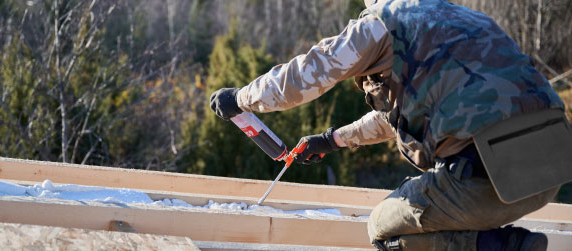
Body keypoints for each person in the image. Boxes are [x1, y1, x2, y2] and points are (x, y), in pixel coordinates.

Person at [210, 0, 567, 250]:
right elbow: (399, 116)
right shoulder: (464, 20)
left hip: (485, 184)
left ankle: (499, 246)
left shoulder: (382, 22)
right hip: (548, 173)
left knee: (382, 228)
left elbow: (307, 75)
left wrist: (239, 99)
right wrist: (332, 140)